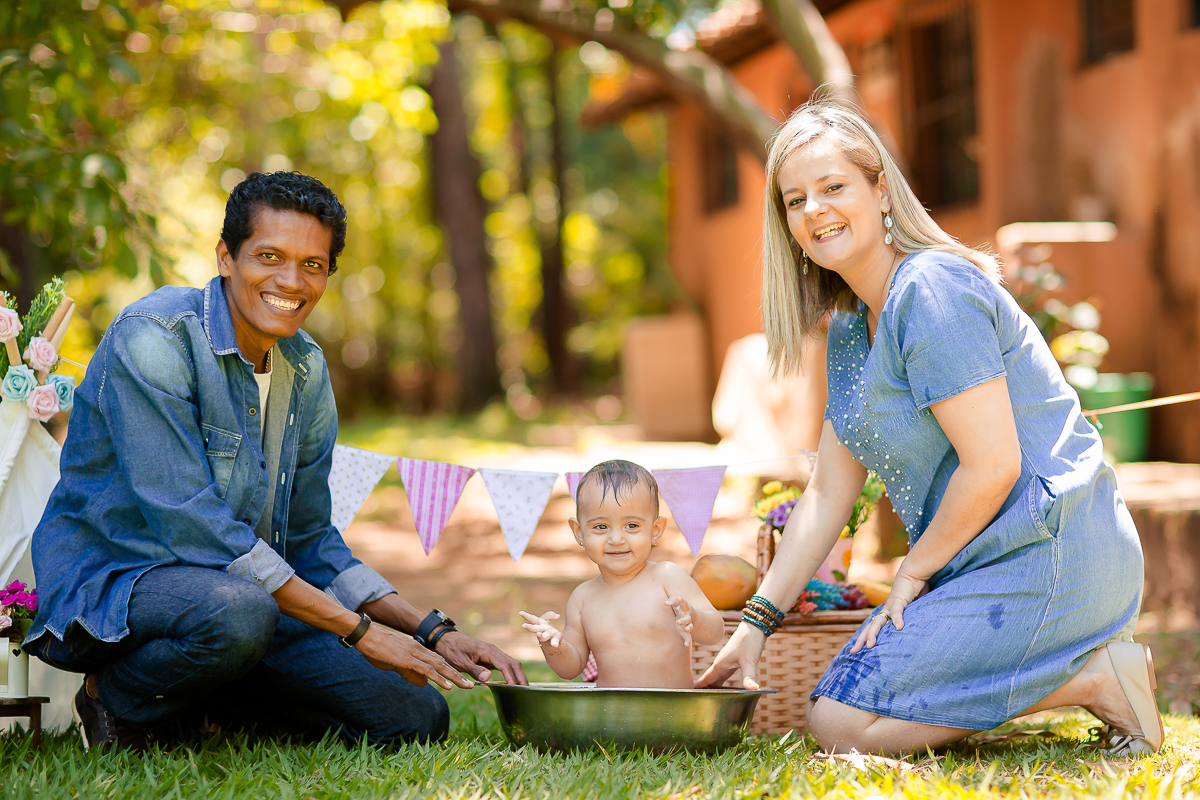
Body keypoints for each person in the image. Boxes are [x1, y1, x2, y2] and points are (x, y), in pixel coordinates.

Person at [697, 100, 1163, 757]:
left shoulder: (932, 290)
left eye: (834, 188)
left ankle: (1095, 677)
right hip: (977, 566)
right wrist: (754, 626)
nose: (815, 211)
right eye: (795, 200)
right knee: (836, 720)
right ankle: (1086, 674)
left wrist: (914, 570)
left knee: (837, 724)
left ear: (880, 189)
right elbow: (828, 494)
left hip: (1054, 551)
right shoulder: (854, 327)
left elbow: (994, 463)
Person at [26, 171, 527, 753]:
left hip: (248, 598)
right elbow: (198, 530)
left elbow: (311, 539)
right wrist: (359, 632)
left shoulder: (306, 369)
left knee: (414, 717)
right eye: (269, 256)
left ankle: (208, 701)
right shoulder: (155, 337)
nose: (291, 281)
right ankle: (113, 699)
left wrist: (431, 632)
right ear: (226, 257)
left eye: (313, 265)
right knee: (239, 613)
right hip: (117, 587)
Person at [519, 460, 723, 688]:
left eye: (632, 526)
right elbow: (571, 668)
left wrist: (694, 618)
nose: (616, 539)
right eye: (601, 527)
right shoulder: (583, 598)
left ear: (655, 530)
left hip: (672, 714)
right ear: (579, 532)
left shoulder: (667, 577)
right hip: (611, 717)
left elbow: (715, 632)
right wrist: (553, 646)